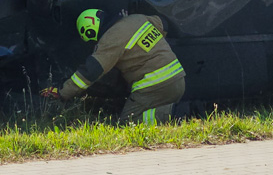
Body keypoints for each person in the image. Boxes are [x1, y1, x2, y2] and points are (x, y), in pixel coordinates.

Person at [42, 9, 186, 125]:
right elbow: (164, 25)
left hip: (154, 86)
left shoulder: (110, 39)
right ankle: (172, 112)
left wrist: (63, 92)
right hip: (178, 79)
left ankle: (177, 113)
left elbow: (92, 71)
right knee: (149, 113)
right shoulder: (137, 18)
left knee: (128, 123)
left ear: (90, 31)